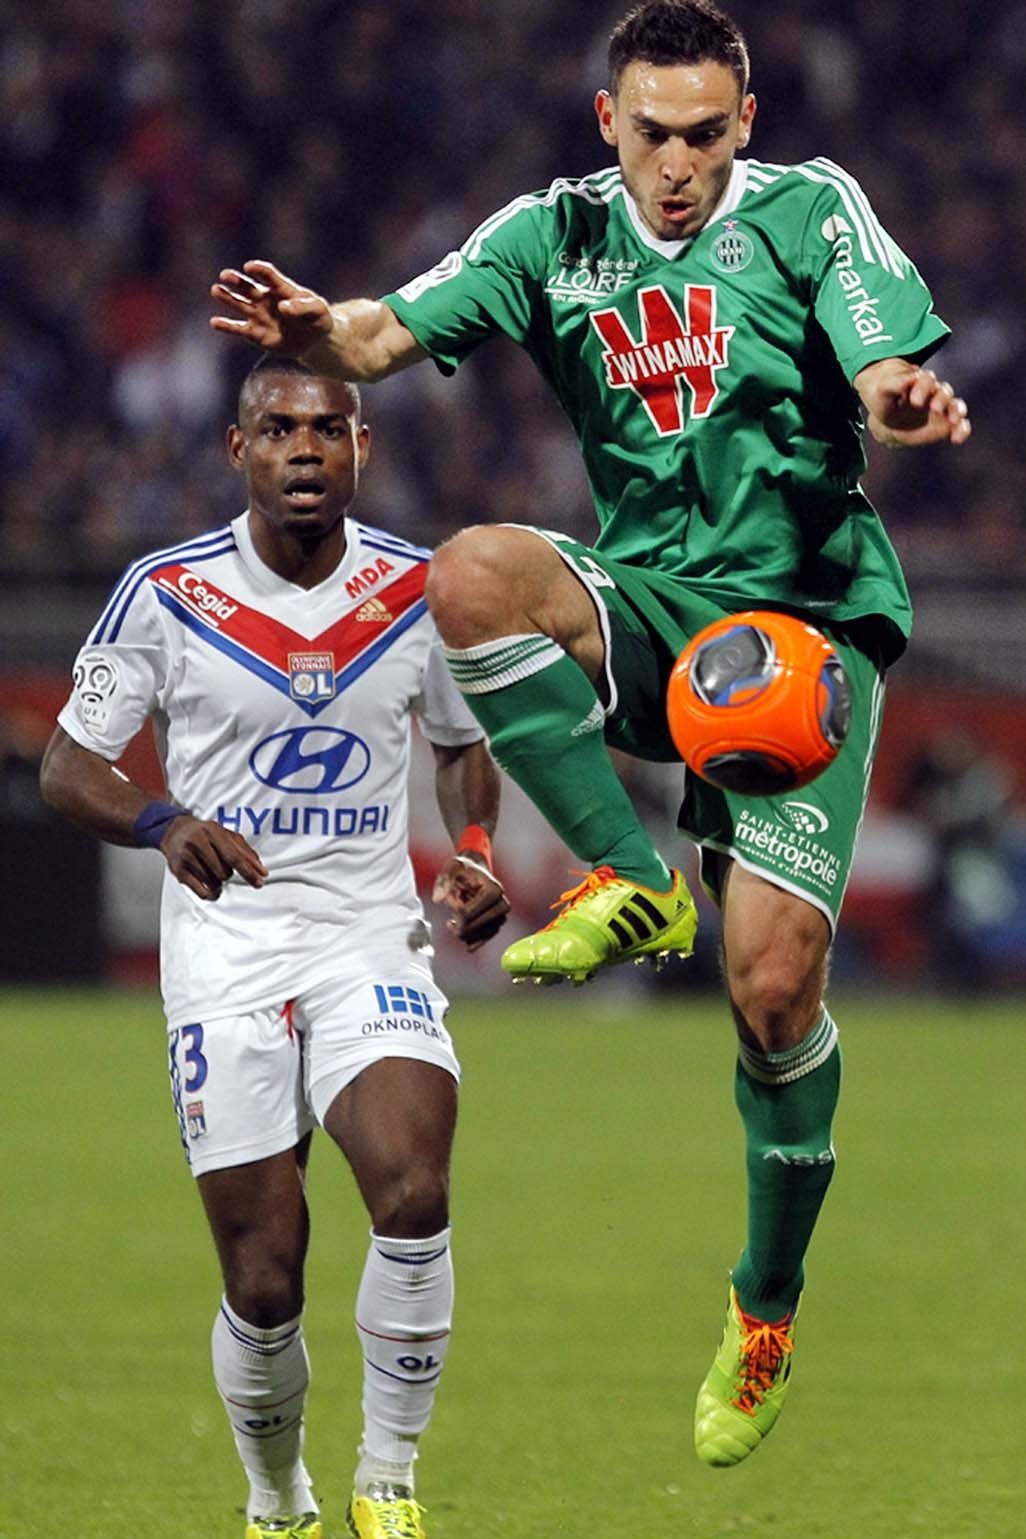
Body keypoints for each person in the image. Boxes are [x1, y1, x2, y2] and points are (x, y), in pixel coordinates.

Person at [208, 0, 971, 1469]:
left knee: (766, 995)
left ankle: (763, 1306)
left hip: (798, 630)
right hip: (651, 601)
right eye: (649, 132)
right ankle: (629, 875)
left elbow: (881, 364)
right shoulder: (551, 239)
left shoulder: (809, 214)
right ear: (604, 124)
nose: (675, 162)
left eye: (702, 132)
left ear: (741, 123)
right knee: (469, 574)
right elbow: (377, 332)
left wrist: (897, 396)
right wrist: (322, 332)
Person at [39, 356, 509, 1539]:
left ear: (363, 451)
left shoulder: (418, 589)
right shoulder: (166, 592)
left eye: (330, 429)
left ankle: (389, 1482)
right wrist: (163, 821)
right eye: (280, 429)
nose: (306, 447)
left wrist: (478, 841)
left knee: (412, 1186)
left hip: (367, 935)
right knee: (264, 1282)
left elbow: (460, 741)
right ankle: (277, 1496)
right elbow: (66, 764)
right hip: (227, 953)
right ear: (236, 452)